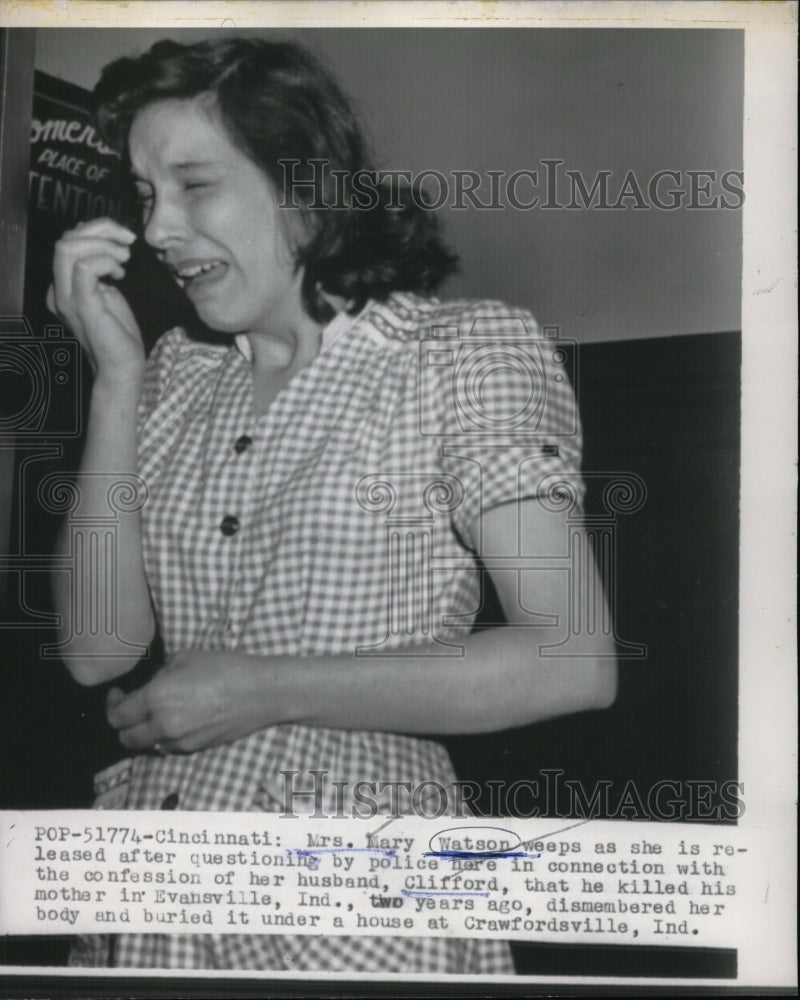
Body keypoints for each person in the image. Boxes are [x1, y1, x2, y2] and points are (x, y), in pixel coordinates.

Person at [49, 36, 617, 973]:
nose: (155, 229)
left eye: (194, 186)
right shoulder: (176, 379)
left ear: (304, 191)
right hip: (148, 892)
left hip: (355, 899)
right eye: (146, 196)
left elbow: (573, 660)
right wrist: (115, 382)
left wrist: (266, 690)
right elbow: (97, 649)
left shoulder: (459, 354)